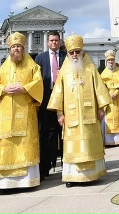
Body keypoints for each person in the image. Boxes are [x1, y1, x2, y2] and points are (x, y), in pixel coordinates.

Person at [47, 35, 111, 186]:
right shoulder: (63, 71)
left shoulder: (90, 69)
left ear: (82, 52)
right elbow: (58, 93)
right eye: (72, 52)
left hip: (90, 115)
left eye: (77, 51)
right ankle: (72, 177)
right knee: (72, 147)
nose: (75, 55)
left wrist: (102, 107)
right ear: (68, 54)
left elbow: (100, 89)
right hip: (71, 117)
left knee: (90, 144)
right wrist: (59, 113)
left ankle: (93, 174)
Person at [0, 32, 43, 190]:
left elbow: (38, 82)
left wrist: (25, 88)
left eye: (19, 46)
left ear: (23, 48)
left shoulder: (32, 66)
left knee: (25, 144)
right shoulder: (4, 67)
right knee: (8, 144)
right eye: (13, 47)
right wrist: (5, 88)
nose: (16, 49)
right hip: (7, 115)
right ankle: (6, 183)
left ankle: (28, 181)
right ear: (9, 49)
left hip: (26, 112)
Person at [34, 30, 65, 179]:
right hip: (46, 101)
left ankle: (67, 166)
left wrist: (63, 76)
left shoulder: (66, 57)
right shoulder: (40, 58)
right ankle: (44, 168)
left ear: (59, 42)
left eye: (56, 40)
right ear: (47, 42)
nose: (54, 43)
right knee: (45, 135)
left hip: (63, 101)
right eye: (51, 40)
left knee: (65, 134)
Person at [100, 50, 119, 146]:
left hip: (118, 99)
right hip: (109, 100)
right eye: (109, 60)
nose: (111, 62)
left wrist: (116, 92)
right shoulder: (103, 74)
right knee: (108, 119)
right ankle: (109, 141)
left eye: (112, 60)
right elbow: (101, 87)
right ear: (106, 62)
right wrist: (108, 94)